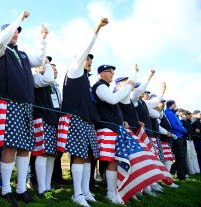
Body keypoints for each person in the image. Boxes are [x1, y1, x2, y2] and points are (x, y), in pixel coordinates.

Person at [0, 11, 48, 207]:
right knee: (10, 146)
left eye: (18, 32)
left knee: (24, 148)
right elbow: (1, 40)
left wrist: (43, 39)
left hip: (26, 105)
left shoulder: (21, 54)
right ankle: (6, 189)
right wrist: (19, 20)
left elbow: (40, 59)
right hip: (9, 103)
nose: (16, 33)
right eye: (12, 31)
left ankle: (21, 188)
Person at [57, 17, 108, 207]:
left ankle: (85, 190)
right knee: (79, 155)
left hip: (87, 120)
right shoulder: (74, 70)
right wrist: (97, 29)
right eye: (87, 58)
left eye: (90, 60)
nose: (89, 61)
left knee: (87, 155)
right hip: (76, 118)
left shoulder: (85, 77)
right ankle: (76, 193)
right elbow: (85, 48)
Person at [92, 64, 134, 204]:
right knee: (111, 160)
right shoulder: (100, 86)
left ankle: (113, 192)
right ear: (102, 73)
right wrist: (128, 86)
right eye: (110, 72)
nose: (112, 74)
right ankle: (110, 193)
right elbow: (113, 99)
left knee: (114, 160)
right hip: (106, 128)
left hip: (112, 127)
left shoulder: (105, 87)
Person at [32, 55, 59, 199]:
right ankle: (41, 189)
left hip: (53, 122)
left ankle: (47, 187)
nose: (47, 66)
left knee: (51, 156)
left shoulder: (53, 86)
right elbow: (46, 78)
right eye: (44, 63)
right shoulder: (36, 78)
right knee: (42, 154)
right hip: (41, 120)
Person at [165, 100, 187, 180]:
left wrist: (182, 129)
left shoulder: (174, 113)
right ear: (171, 105)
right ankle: (181, 176)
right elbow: (174, 126)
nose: (176, 105)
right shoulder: (168, 113)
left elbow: (179, 124)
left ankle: (176, 172)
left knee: (181, 156)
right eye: (175, 104)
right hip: (176, 136)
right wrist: (184, 130)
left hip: (180, 136)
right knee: (179, 156)